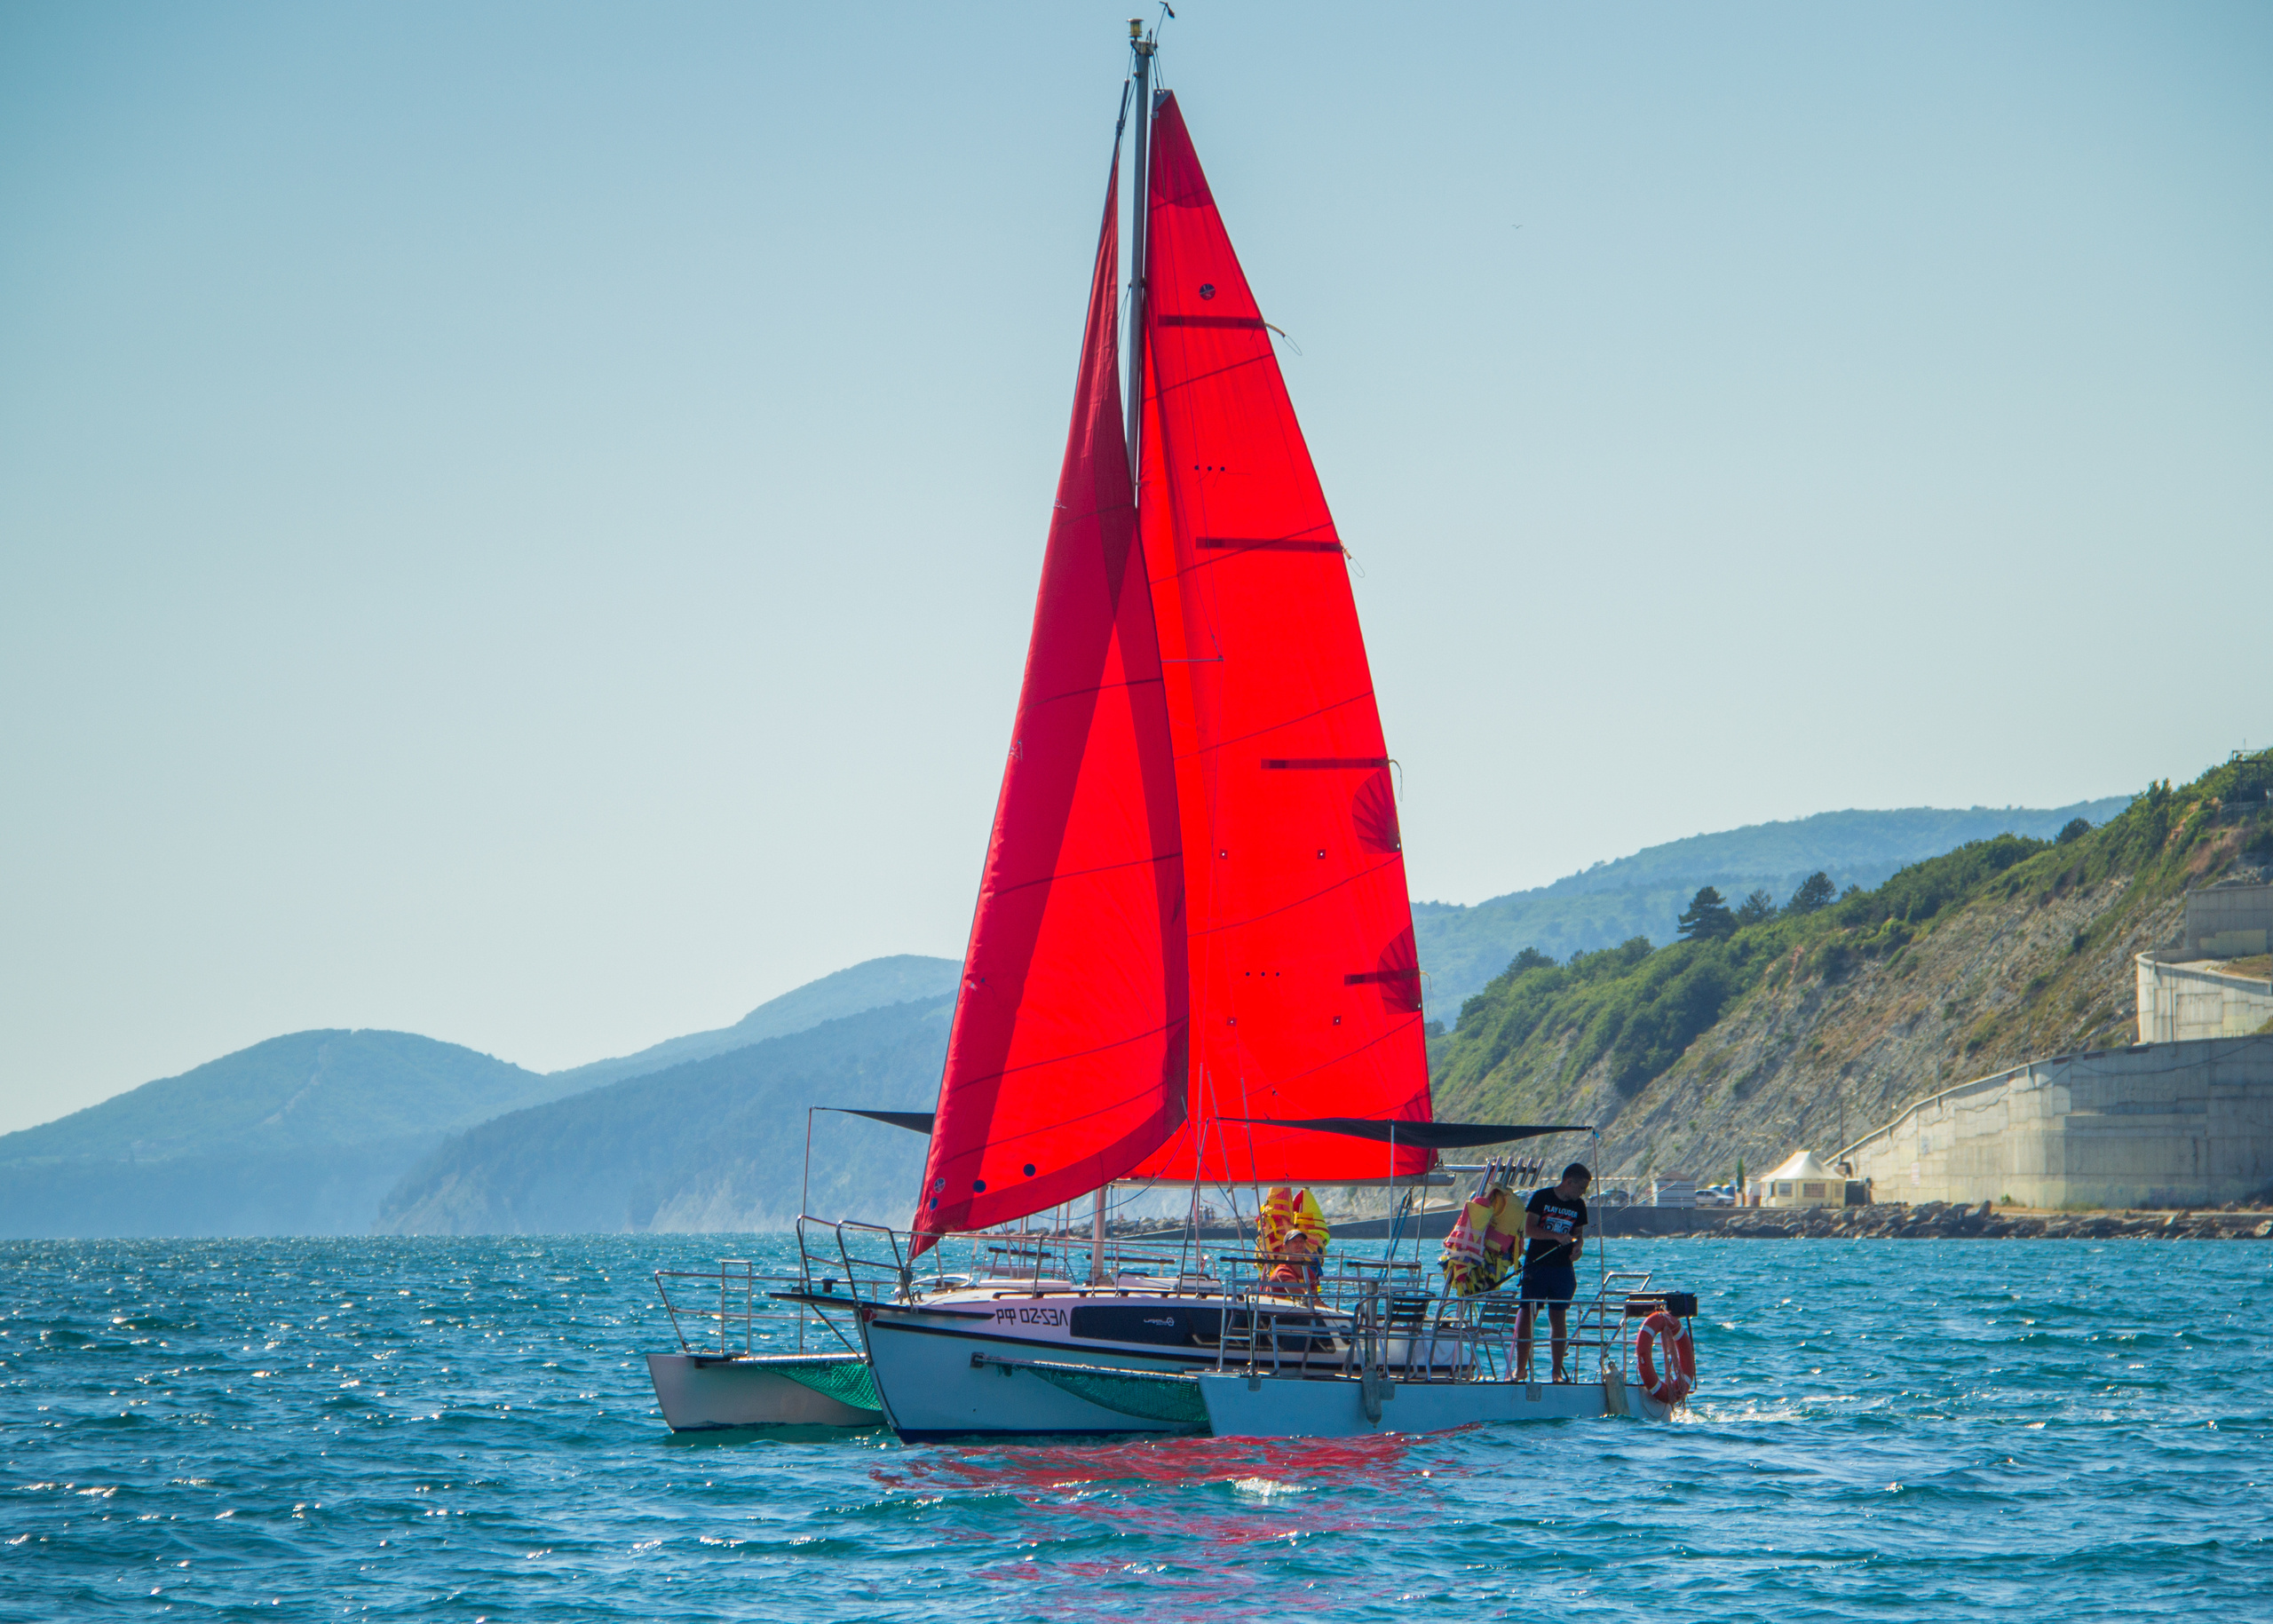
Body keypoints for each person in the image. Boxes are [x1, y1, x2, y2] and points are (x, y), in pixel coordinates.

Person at [1515, 1162, 1591, 1382]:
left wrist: (1578, 1247)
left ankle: (1556, 1372)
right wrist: (1555, 1236)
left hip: (1562, 1268)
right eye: (1581, 1188)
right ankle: (1521, 1369)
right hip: (1537, 1265)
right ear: (1569, 1182)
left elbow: (1578, 1235)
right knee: (1528, 1313)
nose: (1583, 1193)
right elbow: (1529, 1230)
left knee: (1558, 1316)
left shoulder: (1579, 1206)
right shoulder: (1542, 1197)